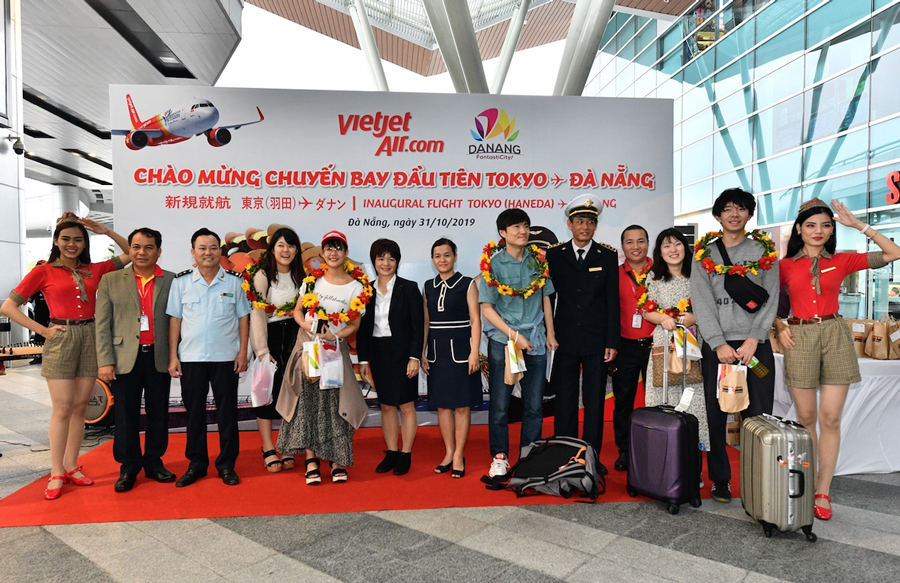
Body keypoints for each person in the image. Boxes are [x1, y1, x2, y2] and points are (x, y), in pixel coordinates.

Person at [774, 198, 900, 520]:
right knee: (806, 417)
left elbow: (893, 253)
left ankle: (823, 490)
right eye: (811, 225)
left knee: (830, 418)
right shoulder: (784, 266)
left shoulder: (842, 260)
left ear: (832, 230)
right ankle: (808, 477)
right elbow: (767, 303)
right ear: (799, 229)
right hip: (799, 338)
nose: (818, 231)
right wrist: (779, 324)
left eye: (825, 225)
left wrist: (859, 224)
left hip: (835, 335)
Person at [1, 213, 129, 500]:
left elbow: (130, 254)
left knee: (81, 406)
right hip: (60, 338)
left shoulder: (95, 270)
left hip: (91, 336)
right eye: (66, 239)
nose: (72, 244)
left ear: (85, 244)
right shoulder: (43, 271)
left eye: (78, 240)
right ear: (56, 241)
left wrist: (104, 230)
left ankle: (72, 465)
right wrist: (43, 332)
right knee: (62, 407)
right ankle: (56, 470)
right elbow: (9, 307)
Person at [691, 188, 779, 504]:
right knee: (716, 414)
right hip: (719, 348)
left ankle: (760, 479)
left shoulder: (763, 251)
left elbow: (771, 299)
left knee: (759, 415)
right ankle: (720, 480)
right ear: (718, 215)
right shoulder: (704, 255)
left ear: (749, 214)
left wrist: (755, 338)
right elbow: (701, 303)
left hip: (757, 347)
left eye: (741, 208)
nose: (734, 214)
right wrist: (717, 344)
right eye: (727, 208)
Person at [277, 230, 369, 484]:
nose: (333, 253)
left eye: (338, 248)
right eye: (329, 248)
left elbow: (355, 324)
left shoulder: (356, 286)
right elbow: (298, 312)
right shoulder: (311, 282)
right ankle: (310, 460)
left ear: (346, 253)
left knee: (336, 405)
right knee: (308, 406)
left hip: (334, 351)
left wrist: (336, 336)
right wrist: (309, 328)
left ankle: (337, 460)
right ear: (322, 254)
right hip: (309, 350)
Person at [166, 228, 250, 487]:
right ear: (193, 252)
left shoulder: (235, 282)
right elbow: (175, 320)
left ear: (220, 251)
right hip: (191, 358)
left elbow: (243, 319)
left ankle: (226, 465)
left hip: (226, 357)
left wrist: (243, 352)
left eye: (213, 247)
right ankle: (197, 464)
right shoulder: (180, 283)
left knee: (227, 413)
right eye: (202, 248)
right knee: (194, 415)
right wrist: (173, 356)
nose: (208, 252)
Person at [95, 227, 175, 492]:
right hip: (123, 358)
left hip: (158, 357)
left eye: (149, 247)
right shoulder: (111, 280)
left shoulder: (172, 280)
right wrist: (105, 361)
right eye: (136, 247)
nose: (142, 252)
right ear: (129, 250)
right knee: (126, 416)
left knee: (158, 414)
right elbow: (102, 324)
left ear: (158, 251)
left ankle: (153, 463)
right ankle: (128, 468)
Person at [479, 208, 557, 478]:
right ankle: (499, 457)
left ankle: (529, 455)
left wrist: (550, 333)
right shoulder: (493, 265)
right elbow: (487, 309)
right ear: (503, 233)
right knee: (500, 406)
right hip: (504, 343)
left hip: (534, 341)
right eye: (516, 227)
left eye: (525, 226)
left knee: (534, 405)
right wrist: (514, 336)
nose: (523, 231)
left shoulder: (538, 262)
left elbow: (546, 297)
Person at [545, 195, 619, 473]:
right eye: (579, 221)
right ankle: (565, 454)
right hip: (563, 338)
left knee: (594, 399)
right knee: (564, 399)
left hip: (596, 340)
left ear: (595, 226)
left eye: (590, 222)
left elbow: (612, 301)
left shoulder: (607, 256)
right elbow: (547, 299)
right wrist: (548, 333)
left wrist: (612, 341)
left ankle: (590, 457)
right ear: (569, 224)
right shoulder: (554, 255)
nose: (585, 226)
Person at [358, 239, 425, 476]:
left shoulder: (409, 288)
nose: (386, 263)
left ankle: (406, 453)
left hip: (403, 353)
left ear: (397, 261)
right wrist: (363, 361)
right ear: (373, 261)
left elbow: (418, 327)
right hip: (378, 353)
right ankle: (391, 451)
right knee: (386, 405)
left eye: (391, 258)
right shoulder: (365, 290)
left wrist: (414, 357)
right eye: (380, 258)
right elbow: (363, 330)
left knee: (406, 405)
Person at [642, 229, 710, 452]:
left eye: (677, 244)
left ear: (685, 247)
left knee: (692, 400)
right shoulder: (653, 277)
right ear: (660, 252)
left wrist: (695, 317)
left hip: (692, 344)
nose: (673, 250)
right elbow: (645, 310)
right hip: (664, 343)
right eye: (666, 246)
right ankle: (663, 457)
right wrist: (662, 318)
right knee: (662, 399)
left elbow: (712, 307)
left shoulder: (699, 275)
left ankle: (691, 464)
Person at [422, 238, 481, 478]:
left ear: (455, 256)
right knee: (442, 405)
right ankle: (448, 451)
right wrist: (422, 352)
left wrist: (474, 352)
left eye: (447, 255)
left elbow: (476, 320)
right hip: (437, 351)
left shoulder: (467, 284)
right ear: (432, 259)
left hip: (461, 349)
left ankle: (459, 455)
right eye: (437, 255)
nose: (442, 260)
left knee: (462, 405)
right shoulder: (427, 286)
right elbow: (425, 321)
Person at [248, 227, 304, 474]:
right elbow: (257, 314)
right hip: (270, 339)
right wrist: (261, 350)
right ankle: (268, 447)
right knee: (266, 393)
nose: (286, 250)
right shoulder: (262, 276)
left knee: (290, 393)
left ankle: (288, 444)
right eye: (281, 245)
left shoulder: (302, 277)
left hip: (295, 338)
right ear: (272, 249)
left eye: (291, 246)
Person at [610, 225, 657, 471]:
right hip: (625, 347)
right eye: (630, 242)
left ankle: (656, 447)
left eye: (640, 241)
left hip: (657, 346)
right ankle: (625, 451)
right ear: (623, 247)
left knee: (657, 401)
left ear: (648, 244)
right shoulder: (614, 273)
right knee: (623, 402)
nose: (635, 246)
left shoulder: (661, 272)